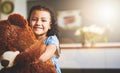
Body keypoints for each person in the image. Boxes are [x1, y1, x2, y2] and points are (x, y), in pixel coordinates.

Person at [27, 5, 61, 73]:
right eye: (34, 19)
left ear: (50, 25)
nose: (38, 23)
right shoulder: (28, 40)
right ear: (28, 22)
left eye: (43, 20)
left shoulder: (51, 39)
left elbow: (42, 57)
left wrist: (23, 59)